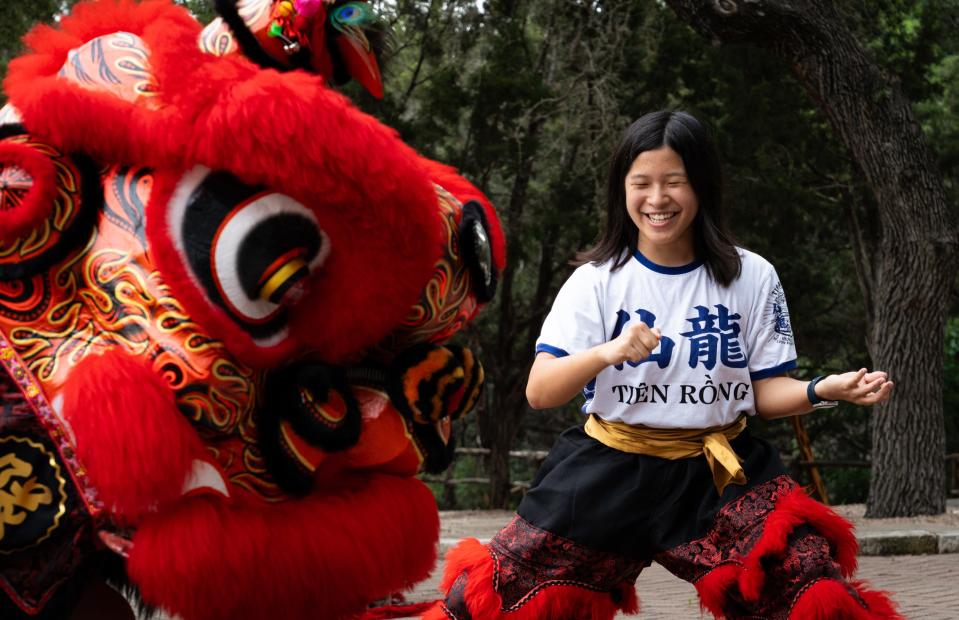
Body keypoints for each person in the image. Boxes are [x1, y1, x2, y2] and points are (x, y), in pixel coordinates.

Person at [424, 110, 901, 620]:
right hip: (611, 466)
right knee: (502, 596)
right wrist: (608, 352)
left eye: (674, 182)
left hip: (717, 471)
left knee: (805, 582)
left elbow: (763, 393)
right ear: (621, 189)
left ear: (702, 186)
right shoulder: (596, 280)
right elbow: (541, 391)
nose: (657, 199)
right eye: (642, 183)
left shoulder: (753, 276)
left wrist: (822, 389)